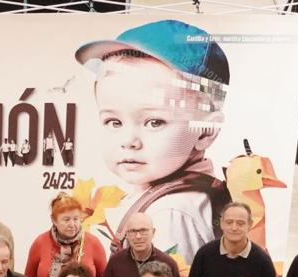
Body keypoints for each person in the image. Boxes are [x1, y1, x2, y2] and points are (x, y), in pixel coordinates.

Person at [75, 20, 231, 262]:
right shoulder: (181, 193)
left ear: (205, 131)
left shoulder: (169, 214)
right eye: (114, 122)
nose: (129, 141)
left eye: (154, 122)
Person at [184, 203, 279, 277]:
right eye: (229, 222)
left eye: (240, 223)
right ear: (222, 224)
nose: (234, 228)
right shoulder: (205, 254)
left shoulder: (262, 261)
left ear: (250, 225)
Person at [24, 192, 108, 277]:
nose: (72, 224)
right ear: (54, 220)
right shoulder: (40, 243)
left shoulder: (93, 243)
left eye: (76, 219)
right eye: (66, 219)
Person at [97, 211, 184, 277]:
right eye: (133, 231)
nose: (138, 236)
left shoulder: (168, 263)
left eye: (143, 230)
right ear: (127, 235)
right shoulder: (116, 261)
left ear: (153, 232)